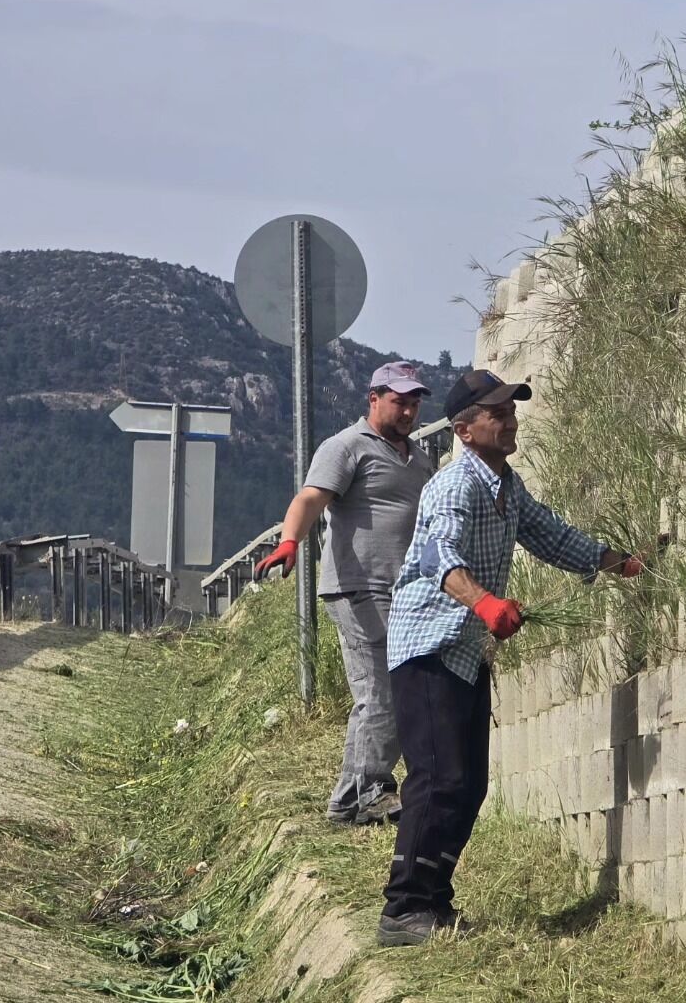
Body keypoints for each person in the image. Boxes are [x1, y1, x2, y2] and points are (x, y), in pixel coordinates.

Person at [376, 369, 645, 947]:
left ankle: (433, 898)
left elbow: (550, 534)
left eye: (512, 409)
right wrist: (486, 603)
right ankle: (402, 910)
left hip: (467, 651)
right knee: (437, 777)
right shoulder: (454, 486)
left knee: (469, 785)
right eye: (498, 412)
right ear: (466, 430)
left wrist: (615, 562)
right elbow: (436, 554)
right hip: (428, 644)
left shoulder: (506, 487)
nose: (510, 419)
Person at [255, 361, 437, 826]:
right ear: (373, 399)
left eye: (415, 402)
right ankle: (370, 790)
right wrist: (290, 542)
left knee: (395, 690)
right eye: (399, 401)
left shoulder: (418, 459)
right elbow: (309, 499)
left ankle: (351, 798)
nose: (409, 410)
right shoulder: (346, 447)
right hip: (358, 587)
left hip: (406, 593)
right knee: (379, 690)